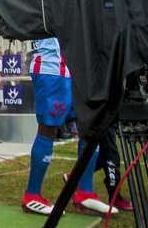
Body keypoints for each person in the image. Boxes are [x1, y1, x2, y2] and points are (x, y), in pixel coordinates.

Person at [21, 38, 118, 216]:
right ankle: (32, 196)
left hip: (78, 70)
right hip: (53, 67)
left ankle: (85, 192)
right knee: (49, 129)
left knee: (90, 126)